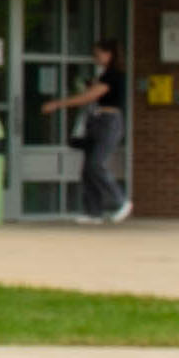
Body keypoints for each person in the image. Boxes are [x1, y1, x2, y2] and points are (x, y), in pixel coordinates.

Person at [60, 39, 132, 222]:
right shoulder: (103, 74)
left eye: (97, 53)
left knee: (95, 163)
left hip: (109, 122)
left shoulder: (114, 75)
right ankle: (93, 211)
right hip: (96, 121)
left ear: (109, 54)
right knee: (87, 169)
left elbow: (90, 96)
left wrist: (57, 104)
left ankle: (120, 200)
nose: (95, 57)